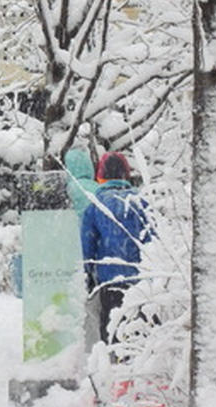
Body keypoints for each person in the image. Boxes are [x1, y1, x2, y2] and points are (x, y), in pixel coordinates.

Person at [80, 151, 153, 345]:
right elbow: (153, 239)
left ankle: (113, 364)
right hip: (140, 278)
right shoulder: (141, 202)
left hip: (109, 277)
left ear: (100, 175)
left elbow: (87, 245)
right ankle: (138, 364)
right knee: (139, 324)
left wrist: (86, 274)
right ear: (126, 174)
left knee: (111, 323)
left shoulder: (96, 206)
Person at [64, 147, 100, 352]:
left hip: (72, 250)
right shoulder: (96, 189)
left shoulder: (68, 189)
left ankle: (76, 345)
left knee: (76, 298)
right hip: (95, 251)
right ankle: (93, 342)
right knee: (93, 301)